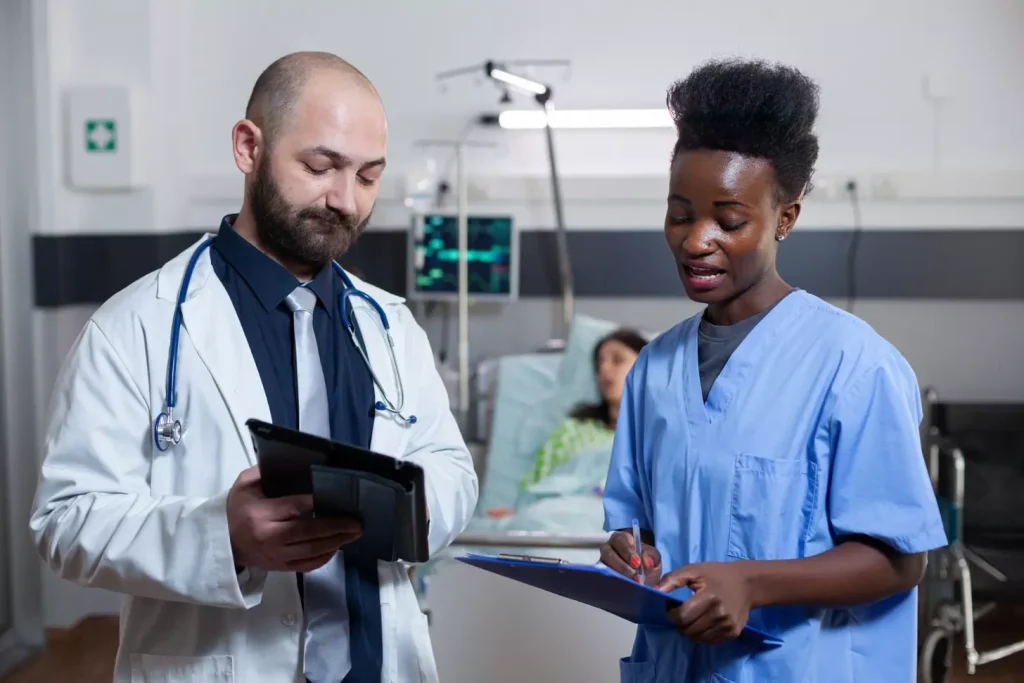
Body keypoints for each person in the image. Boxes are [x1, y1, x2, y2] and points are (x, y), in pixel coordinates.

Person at [29, 52, 478, 683]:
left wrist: (415, 509)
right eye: (320, 166)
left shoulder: (389, 325)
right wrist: (223, 537)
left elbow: (451, 466)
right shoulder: (135, 326)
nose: (345, 201)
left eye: (369, 176)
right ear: (248, 147)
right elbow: (65, 520)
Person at [599, 58, 947, 683]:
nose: (695, 239)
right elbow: (644, 527)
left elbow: (901, 562)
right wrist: (635, 556)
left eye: (729, 221)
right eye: (680, 213)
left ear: (784, 219)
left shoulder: (853, 365)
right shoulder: (655, 369)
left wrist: (751, 583)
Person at [521, 328, 648, 488]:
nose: (604, 370)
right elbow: (536, 487)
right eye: (599, 363)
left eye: (617, 360)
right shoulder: (572, 431)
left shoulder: (662, 433)